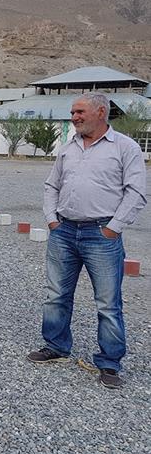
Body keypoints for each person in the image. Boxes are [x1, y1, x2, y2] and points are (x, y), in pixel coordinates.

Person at [27, 93, 147, 389]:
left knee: (107, 302)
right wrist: (52, 220)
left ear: (100, 112)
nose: (74, 117)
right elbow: (51, 185)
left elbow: (136, 192)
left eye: (79, 111)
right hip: (64, 232)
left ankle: (109, 363)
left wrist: (113, 228)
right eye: (72, 112)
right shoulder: (68, 148)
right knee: (56, 294)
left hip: (101, 235)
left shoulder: (125, 147)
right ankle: (56, 347)